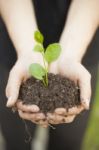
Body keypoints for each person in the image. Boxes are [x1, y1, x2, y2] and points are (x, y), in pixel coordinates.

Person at [0, 0, 99, 150]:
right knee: (16, 140)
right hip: (15, 37)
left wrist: (70, 55)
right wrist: (28, 50)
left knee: (69, 142)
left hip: (81, 39)